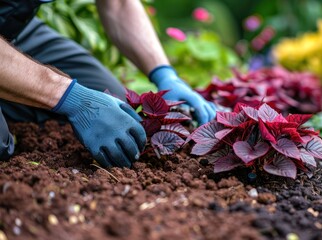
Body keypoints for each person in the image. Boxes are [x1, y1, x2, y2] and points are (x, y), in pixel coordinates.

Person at [0, 0, 216, 167]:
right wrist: (69, 97)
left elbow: (119, 4)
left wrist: (164, 74)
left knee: (117, 110)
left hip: (13, 28)